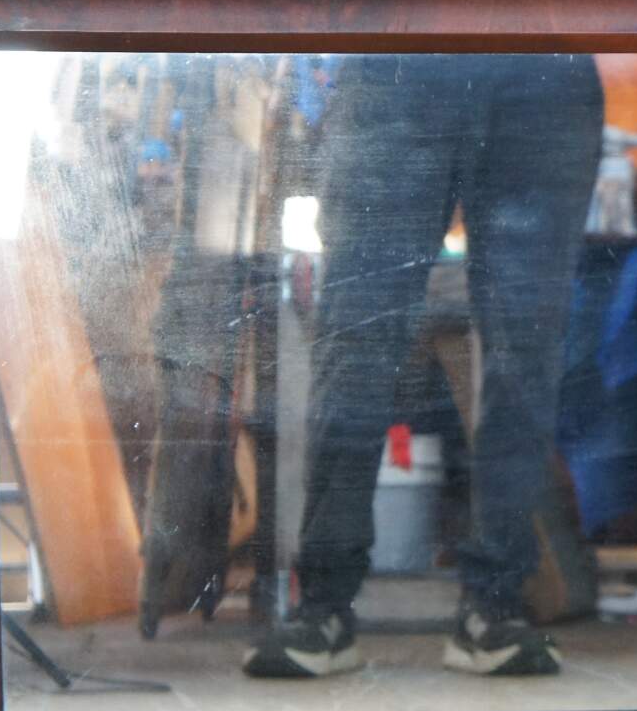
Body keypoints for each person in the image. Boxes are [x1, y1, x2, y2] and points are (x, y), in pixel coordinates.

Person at [243, 53, 605, 678]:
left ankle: (492, 606)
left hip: (538, 62)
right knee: (359, 337)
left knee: (523, 350)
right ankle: (326, 606)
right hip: (407, 55)